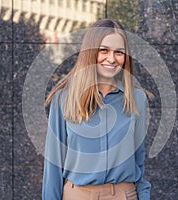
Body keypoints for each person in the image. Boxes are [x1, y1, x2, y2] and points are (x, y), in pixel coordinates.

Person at [42, 19, 151, 200]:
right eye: (104, 50)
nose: (111, 58)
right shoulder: (63, 99)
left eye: (119, 52)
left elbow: (138, 159)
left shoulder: (137, 99)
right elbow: (53, 166)